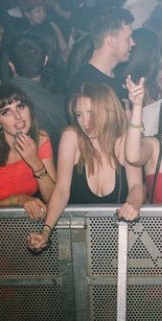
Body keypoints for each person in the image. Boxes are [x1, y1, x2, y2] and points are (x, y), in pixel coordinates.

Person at [27, 83, 143, 252]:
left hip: (121, 240)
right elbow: (61, 190)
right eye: (79, 115)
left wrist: (134, 205)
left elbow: (137, 186)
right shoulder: (72, 137)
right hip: (79, 242)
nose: (85, 122)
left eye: (91, 113)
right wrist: (45, 232)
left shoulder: (124, 140)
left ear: (109, 111)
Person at [0, 85, 56, 219]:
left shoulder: (41, 139)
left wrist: (36, 163)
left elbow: (54, 199)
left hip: (25, 222)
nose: (18, 116)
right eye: (6, 112)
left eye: (21, 106)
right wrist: (17, 200)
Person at [67, 7, 135, 100]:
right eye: (128, 38)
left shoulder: (120, 77)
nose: (133, 43)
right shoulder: (87, 87)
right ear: (111, 41)